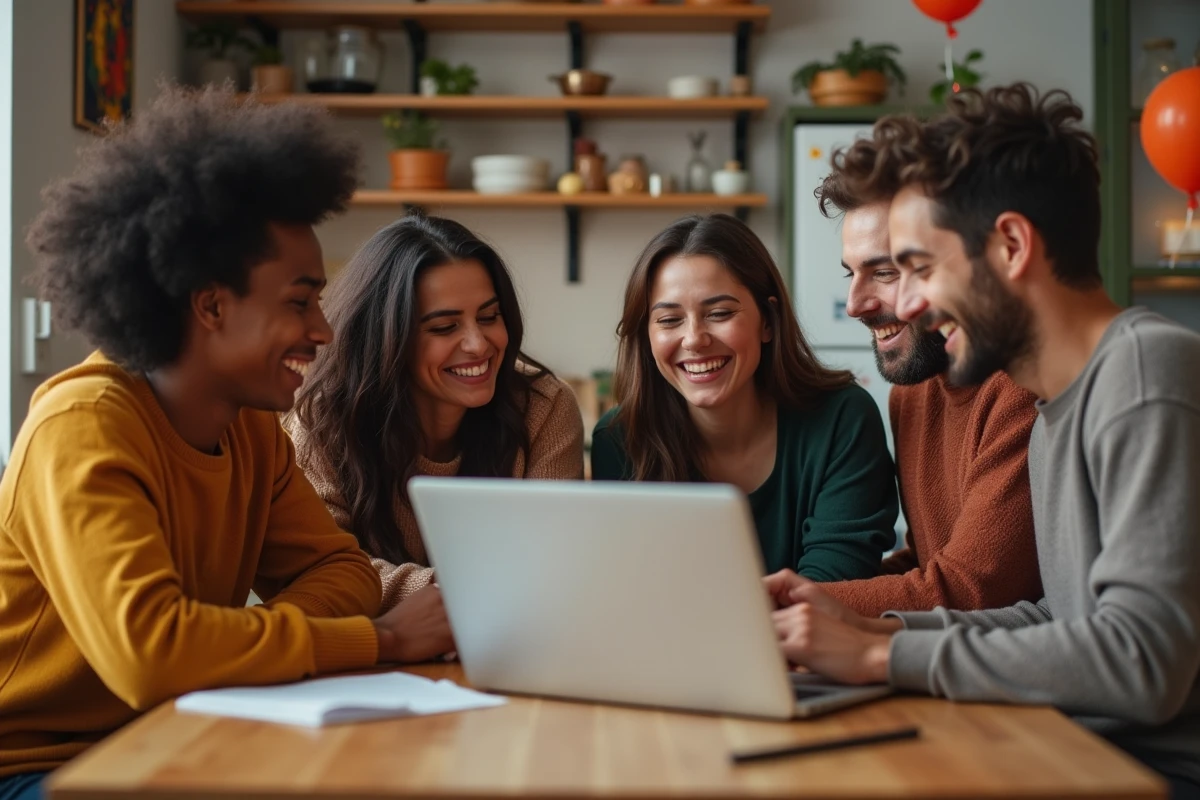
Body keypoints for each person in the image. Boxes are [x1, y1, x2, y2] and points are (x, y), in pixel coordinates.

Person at [0, 87, 454, 800]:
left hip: (177, 730)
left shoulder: (249, 428)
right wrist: (384, 640)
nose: (323, 332)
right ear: (211, 305)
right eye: (299, 301)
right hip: (38, 766)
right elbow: (153, 655)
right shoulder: (83, 426)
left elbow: (346, 574)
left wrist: (219, 643)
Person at [770, 84, 1200, 797]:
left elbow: (1142, 662)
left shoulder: (1147, 370)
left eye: (921, 269)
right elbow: (1060, 616)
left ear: (1010, 246)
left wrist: (881, 660)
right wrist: (869, 632)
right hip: (1079, 750)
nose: (906, 304)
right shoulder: (1056, 401)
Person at [764, 153, 1041, 616]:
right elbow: (928, 565)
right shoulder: (912, 392)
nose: (855, 305)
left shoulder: (1020, 391)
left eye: (887, 272)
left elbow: (972, 590)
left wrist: (789, 605)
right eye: (851, 274)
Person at [288, 215, 584, 611]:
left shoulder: (543, 407)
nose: (479, 345)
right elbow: (320, 570)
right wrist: (453, 595)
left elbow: (551, 565)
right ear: (385, 338)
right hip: (371, 658)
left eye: (488, 317)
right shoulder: (322, 423)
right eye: (444, 327)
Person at [591, 213, 897, 581]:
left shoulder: (842, 420)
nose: (694, 339)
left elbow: (831, 594)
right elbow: (632, 592)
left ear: (767, 321)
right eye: (669, 320)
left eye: (719, 313)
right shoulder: (620, 438)